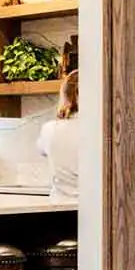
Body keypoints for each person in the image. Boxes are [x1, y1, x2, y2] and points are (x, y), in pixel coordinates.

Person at [39, 68, 79, 199]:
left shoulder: (49, 129)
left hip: (58, 206)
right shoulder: (98, 130)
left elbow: (41, 150)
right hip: (92, 209)